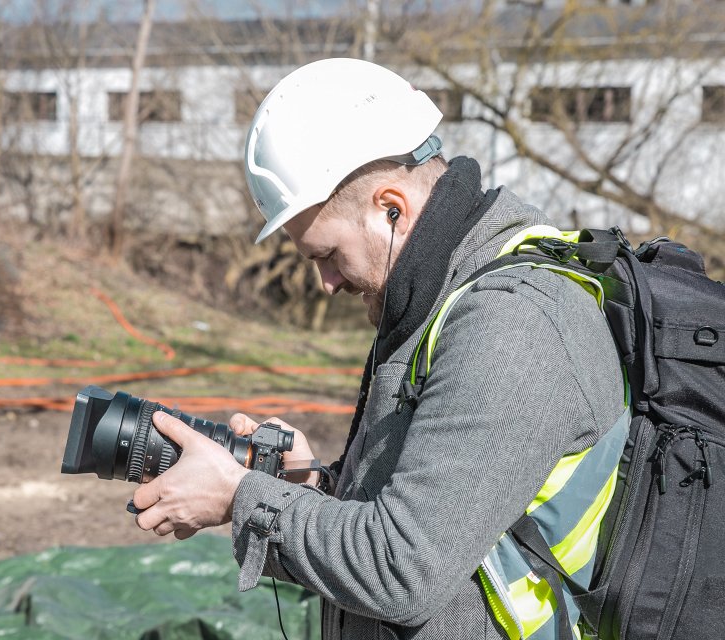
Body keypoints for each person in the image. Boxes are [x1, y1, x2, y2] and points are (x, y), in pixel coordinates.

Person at [131, 58, 628, 640]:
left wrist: (240, 495)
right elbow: (436, 514)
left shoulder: (512, 322)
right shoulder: (436, 302)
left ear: (390, 208)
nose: (327, 284)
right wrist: (314, 488)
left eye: (326, 254)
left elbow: (401, 568)